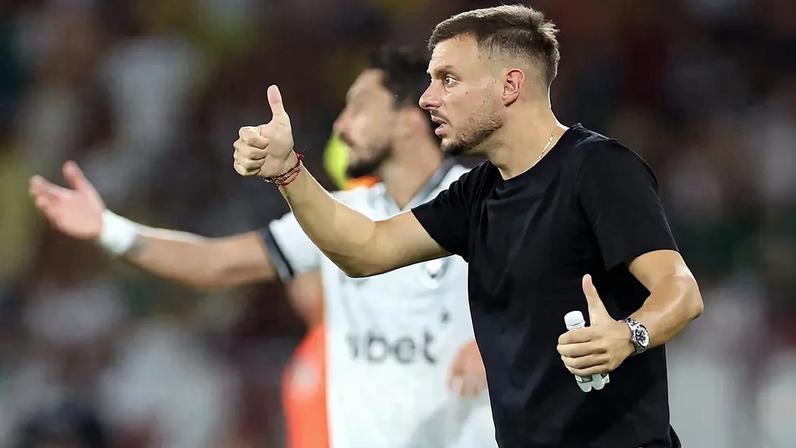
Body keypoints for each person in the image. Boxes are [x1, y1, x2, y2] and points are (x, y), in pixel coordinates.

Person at [232, 5, 704, 448]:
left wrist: (629, 334)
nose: (427, 98)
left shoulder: (598, 168)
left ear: (510, 86)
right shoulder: (478, 193)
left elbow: (680, 290)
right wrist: (288, 172)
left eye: (448, 80)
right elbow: (366, 249)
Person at [30, 48, 496, 448]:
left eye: (358, 106)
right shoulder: (333, 212)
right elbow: (217, 264)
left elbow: (563, 284)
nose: (341, 123)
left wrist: (494, 342)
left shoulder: (487, 202)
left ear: (409, 121)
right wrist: (108, 228)